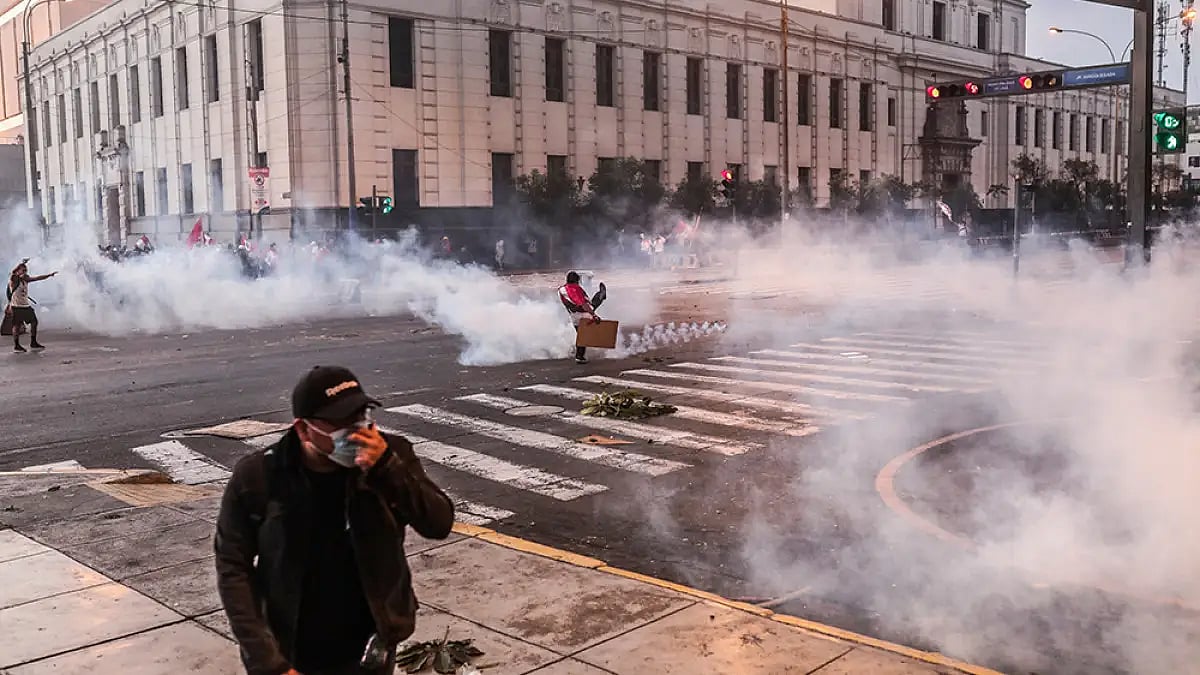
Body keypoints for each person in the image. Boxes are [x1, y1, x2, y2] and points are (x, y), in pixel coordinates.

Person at [214, 366, 455, 675]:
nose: (357, 430)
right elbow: (233, 566)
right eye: (341, 423)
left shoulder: (391, 455)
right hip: (292, 646)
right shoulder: (259, 476)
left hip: (371, 643)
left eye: (360, 416)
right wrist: (267, 661)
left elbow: (439, 523)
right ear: (303, 430)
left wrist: (386, 470)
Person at [6, 260, 56, 352]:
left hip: (25, 306)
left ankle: (33, 342)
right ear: (18, 271)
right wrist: (21, 263)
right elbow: (13, 273)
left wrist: (49, 275)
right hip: (16, 307)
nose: (25, 272)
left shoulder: (26, 280)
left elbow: (37, 278)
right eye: (23, 270)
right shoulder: (14, 279)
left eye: (26, 270)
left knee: (34, 322)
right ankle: (17, 346)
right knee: (16, 326)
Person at [558, 271, 606, 364]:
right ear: (577, 280)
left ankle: (580, 356)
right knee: (595, 302)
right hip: (583, 314)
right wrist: (594, 315)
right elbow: (583, 304)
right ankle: (601, 294)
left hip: (573, 315)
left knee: (581, 335)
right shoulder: (575, 289)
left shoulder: (562, 289)